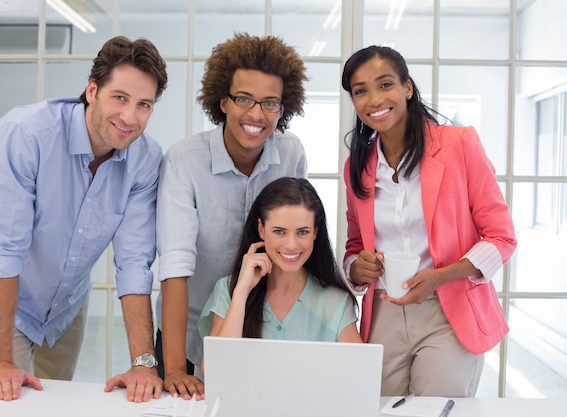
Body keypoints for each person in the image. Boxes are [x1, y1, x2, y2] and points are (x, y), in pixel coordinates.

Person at [0, 36, 168, 403]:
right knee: (9, 401)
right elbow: (2, 251)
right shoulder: (26, 134)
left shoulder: (146, 159)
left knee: (57, 404)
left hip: (67, 307)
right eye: (119, 98)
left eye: (144, 105)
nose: (130, 117)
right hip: (10, 298)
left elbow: (134, 262)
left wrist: (143, 364)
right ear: (92, 90)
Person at [341, 45, 517, 397]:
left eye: (385, 84)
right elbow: (355, 247)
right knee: (379, 407)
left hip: (447, 310)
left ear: (407, 88)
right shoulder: (356, 167)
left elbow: (501, 237)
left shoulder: (459, 144)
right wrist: (356, 269)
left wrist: (439, 276)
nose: (374, 99)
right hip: (383, 311)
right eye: (360, 91)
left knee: (435, 409)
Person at [156, 33, 308, 399]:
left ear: (283, 109)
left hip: (259, 327)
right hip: (188, 331)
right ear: (222, 100)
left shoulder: (290, 156)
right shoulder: (184, 161)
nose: (256, 114)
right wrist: (175, 367)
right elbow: (175, 265)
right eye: (244, 99)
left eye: (270, 103)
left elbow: (297, 243)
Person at [198, 177, 363, 349]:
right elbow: (215, 367)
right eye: (279, 231)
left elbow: (360, 371)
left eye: (302, 232)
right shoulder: (228, 290)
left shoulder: (335, 301)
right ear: (261, 229)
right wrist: (242, 291)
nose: (291, 245)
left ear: (315, 231)